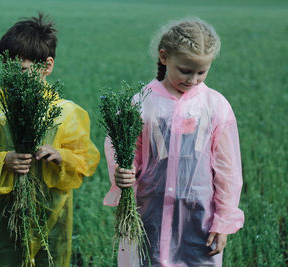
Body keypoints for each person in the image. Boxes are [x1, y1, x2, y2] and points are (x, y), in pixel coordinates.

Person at [0, 13, 100, 267]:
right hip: (3, 215)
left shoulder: (66, 113)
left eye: (21, 70)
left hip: (52, 215)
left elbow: (86, 158)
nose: (13, 78)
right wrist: (3, 160)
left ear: (47, 65)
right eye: (6, 69)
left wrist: (61, 156)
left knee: (49, 259)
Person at [103, 18, 244, 267]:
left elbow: (228, 172)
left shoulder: (215, 106)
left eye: (202, 72)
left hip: (198, 219)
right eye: (185, 71)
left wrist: (223, 222)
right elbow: (123, 151)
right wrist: (122, 172)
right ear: (164, 57)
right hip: (149, 214)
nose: (193, 79)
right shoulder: (141, 103)